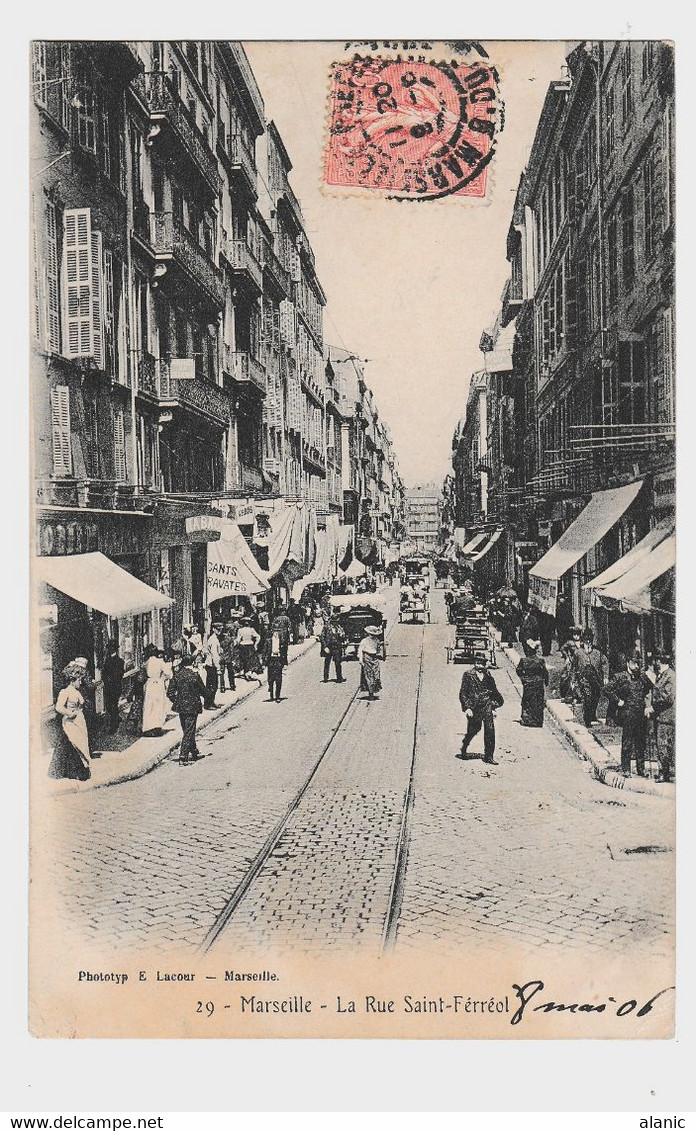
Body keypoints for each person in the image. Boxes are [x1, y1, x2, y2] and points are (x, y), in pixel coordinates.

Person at [605, 655, 652, 777]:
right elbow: (607, 689)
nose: (636, 666)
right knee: (627, 742)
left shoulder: (642, 677)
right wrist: (618, 700)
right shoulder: (620, 677)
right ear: (628, 663)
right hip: (627, 714)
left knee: (641, 743)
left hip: (640, 713)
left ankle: (641, 769)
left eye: (638, 663)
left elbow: (649, 689)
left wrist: (647, 704)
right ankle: (625, 768)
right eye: (633, 663)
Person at [457, 651, 504, 765]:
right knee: (474, 730)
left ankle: (489, 756)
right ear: (475, 663)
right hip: (474, 707)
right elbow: (463, 693)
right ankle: (464, 746)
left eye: (482, 663)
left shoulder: (488, 676)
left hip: (486, 705)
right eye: (478, 663)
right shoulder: (468, 675)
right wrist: (467, 708)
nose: (480, 666)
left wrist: (494, 706)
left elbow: (494, 692)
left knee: (490, 731)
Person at [48, 663, 91, 781]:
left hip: (79, 722)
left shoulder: (77, 691)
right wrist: (70, 713)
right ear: (72, 680)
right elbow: (59, 707)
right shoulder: (65, 692)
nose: (80, 683)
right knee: (72, 744)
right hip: (70, 723)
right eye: (79, 680)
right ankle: (73, 772)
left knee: (81, 743)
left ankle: (82, 769)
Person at [166, 653, 208, 765]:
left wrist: (177, 700)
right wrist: (207, 697)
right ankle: (183, 755)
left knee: (187, 729)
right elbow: (203, 691)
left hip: (181, 707)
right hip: (193, 706)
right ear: (192, 663)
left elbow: (170, 693)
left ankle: (194, 751)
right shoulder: (195, 675)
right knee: (189, 730)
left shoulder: (177, 675)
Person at [647, 652, 675, 782]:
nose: (655, 663)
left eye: (656, 661)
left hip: (666, 717)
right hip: (660, 716)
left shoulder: (670, 676)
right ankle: (663, 771)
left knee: (664, 745)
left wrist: (653, 707)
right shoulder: (662, 675)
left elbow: (667, 698)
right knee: (660, 745)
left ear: (660, 661)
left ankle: (666, 773)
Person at [572, 629, 606, 727]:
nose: (588, 642)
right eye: (586, 640)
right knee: (587, 697)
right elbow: (574, 667)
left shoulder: (597, 652)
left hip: (595, 679)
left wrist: (606, 676)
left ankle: (592, 714)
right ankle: (587, 719)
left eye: (590, 640)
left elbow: (605, 663)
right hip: (583, 679)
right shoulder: (578, 653)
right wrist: (573, 680)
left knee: (595, 697)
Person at [516, 641, 549, 727]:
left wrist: (524, 679)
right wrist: (545, 682)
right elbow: (545, 673)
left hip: (528, 684)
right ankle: (538, 721)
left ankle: (527, 720)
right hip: (538, 684)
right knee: (538, 702)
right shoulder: (540, 661)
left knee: (527, 701)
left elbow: (518, 671)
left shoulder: (524, 661)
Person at [142, 644, 169, 735]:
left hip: (149, 684)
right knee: (158, 705)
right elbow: (168, 673)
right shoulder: (160, 661)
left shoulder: (146, 663)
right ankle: (157, 727)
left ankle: (148, 727)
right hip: (158, 683)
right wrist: (163, 678)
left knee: (149, 705)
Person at [101, 641, 125, 735]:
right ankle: (116, 718)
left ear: (114, 649)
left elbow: (119, 674)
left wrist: (110, 679)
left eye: (111, 648)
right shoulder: (107, 660)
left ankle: (114, 725)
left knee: (112, 705)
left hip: (115, 687)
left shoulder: (119, 661)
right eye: (109, 648)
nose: (109, 650)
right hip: (108, 686)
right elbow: (104, 672)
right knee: (109, 705)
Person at [263, 622, 288, 703]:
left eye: (278, 631)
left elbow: (284, 652)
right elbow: (265, 652)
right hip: (271, 660)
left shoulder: (282, 641)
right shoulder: (268, 641)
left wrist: (285, 663)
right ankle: (271, 694)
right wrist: (264, 663)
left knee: (278, 679)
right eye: (275, 631)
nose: (276, 633)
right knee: (270, 679)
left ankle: (277, 696)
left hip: (278, 660)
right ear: (272, 631)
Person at [357, 624, 383, 700]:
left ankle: (374, 690)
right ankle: (370, 693)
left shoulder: (377, 641)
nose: (373, 636)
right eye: (371, 634)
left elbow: (378, 650)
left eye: (374, 635)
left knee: (376, 674)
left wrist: (379, 654)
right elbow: (360, 650)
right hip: (367, 658)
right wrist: (361, 660)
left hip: (374, 658)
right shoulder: (364, 641)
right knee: (368, 675)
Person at [320, 613, 347, 683]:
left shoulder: (339, 627)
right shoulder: (326, 627)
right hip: (329, 646)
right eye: (334, 621)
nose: (335, 622)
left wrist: (342, 636)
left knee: (338, 662)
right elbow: (322, 637)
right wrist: (325, 647)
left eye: (336, 621)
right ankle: (325, 677)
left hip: (337, 646)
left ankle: (339, 677)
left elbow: (343, 636)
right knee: (327, 662)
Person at [204, 623, 222, 707]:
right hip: (212, 665)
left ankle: (211, 702)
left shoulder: (214, 638)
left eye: (220, 629)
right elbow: (214, 655)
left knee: (213, 685)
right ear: (213, 629)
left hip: (211, 664)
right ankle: (208, 704)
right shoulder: (213, 639)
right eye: (218, 629)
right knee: (212, 686)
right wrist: (218, 667)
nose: (220, 631)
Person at [219, 620, 238, 693]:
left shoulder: (219, 638)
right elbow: (231, 649)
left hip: (221, 657)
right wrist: (233, 658)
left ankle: (222, 687)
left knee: (222, 673)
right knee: (230, 672)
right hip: (229, 657)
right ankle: (232, 685)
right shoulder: (229, 639)